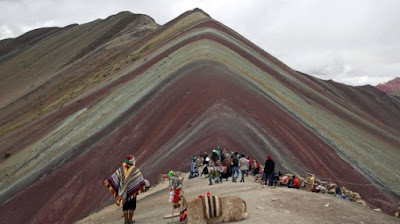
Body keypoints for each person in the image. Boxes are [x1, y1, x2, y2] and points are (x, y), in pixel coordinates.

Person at [105, 155, 146, 224]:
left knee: (125, 206)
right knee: (132, 207)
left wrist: (109, 181)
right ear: (132, 162)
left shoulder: (121, 169)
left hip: (124, 192)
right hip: (133, 193)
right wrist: (142, 186)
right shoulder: (135, 170)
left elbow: (115, 177)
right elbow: (140, 179)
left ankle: (126, 221)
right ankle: (130, 221)